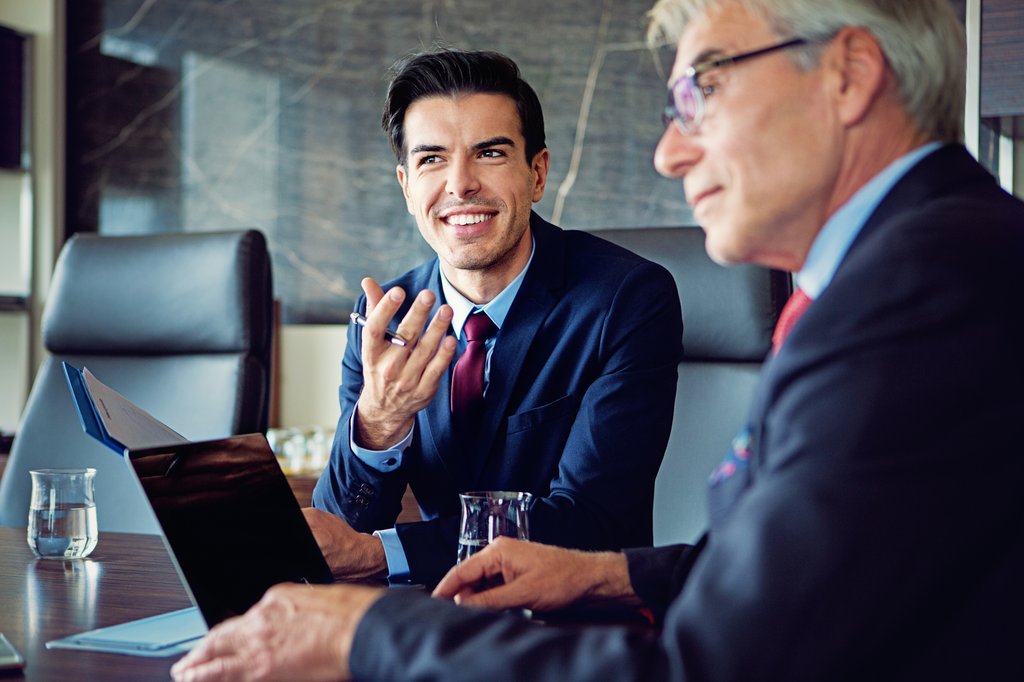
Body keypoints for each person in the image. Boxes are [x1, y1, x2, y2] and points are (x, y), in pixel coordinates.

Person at [172, 0, 1024, 680]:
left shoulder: (923, 293)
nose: (666, 152)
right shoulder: (907, 269)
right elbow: (797, 577)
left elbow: (719, 661)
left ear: (849, 75)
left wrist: (373, 636)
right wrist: (610, 573)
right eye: (431, 160)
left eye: (704, 91)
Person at [306, 49, 683, 587]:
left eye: (489, 153)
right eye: (431, 159)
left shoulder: (625, 299)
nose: (460, 184)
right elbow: (339, 535)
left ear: (537, 173)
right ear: (407, 185)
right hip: (433, 627)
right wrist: (378, 421)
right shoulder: (384, 317)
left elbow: (592, 520)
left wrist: (382, 555)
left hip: (579, 628)